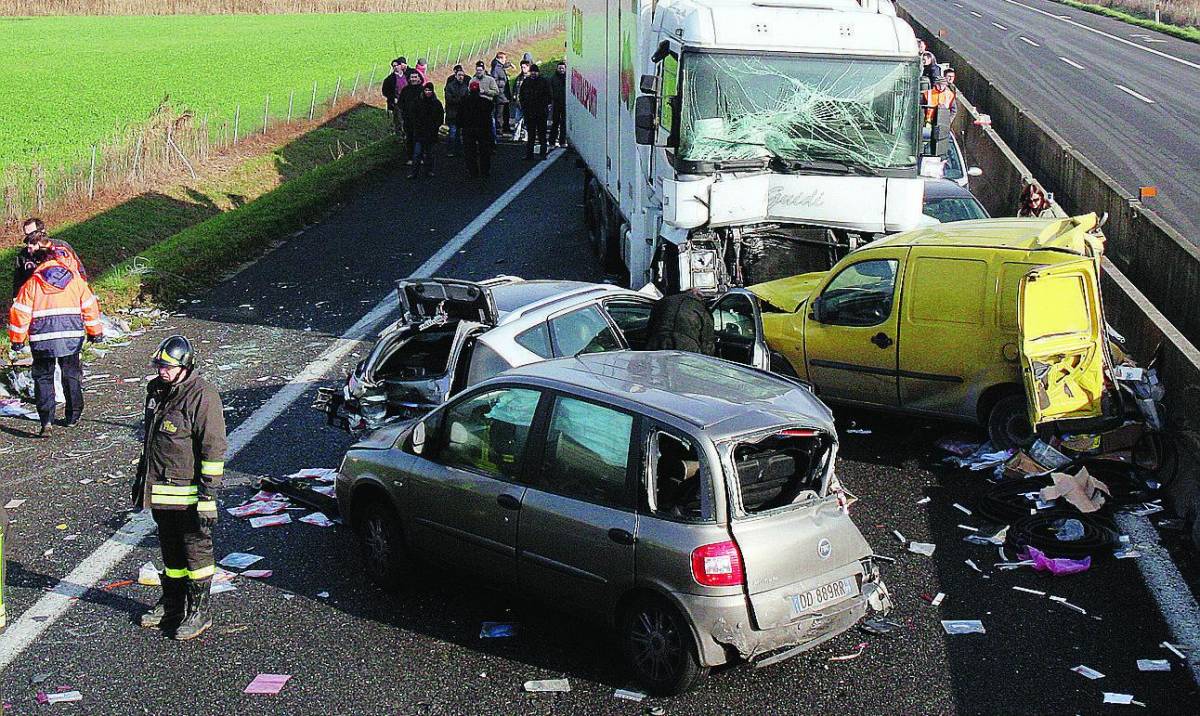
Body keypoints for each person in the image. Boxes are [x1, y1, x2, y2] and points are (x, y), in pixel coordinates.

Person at [134, 335, 227, 641]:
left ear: (185, 367)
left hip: (189, 493)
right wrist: (142, 484)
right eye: (160, 365)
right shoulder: (157, 392)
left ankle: (200, 611)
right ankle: (173, 604)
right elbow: (151, 443)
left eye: (168, 367)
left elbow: (213, 450)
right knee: (171, 553)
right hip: (160, 490)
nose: (162, 371)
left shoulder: (203, 396)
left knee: (196, 552)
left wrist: (208, 497)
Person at [8, 249, 102, 436]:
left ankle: (46, 421)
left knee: (43, 378)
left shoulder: (32, 283)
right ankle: (73, 415)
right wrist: (95, 332)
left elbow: (20, 312)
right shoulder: (75, 281)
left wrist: (17, 340)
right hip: (71, 336)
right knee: (71, 374)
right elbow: (90, 306)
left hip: (42, 339)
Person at [13, 217, 86, 297]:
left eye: (32, 234)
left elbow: (79, 270)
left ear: (43, 232)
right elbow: (18, 282)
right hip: (38, 300)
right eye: (27, 235)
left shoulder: (62, 247)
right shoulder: (23, 255)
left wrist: (82, 292)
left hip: (66, 296)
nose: (29, 239)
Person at [643, 289, 716, 356]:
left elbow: (649, 328)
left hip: (657, 342)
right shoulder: (700, 308)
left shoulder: (664, 301)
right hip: (687, 347)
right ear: (700, 297)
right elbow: (707, 341)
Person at [459, 80, 496, 179]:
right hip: (483, 129)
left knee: (470, 151)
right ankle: (485, 170)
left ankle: (473, 171)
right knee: (484, 150)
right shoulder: (486, 102)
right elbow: (489, 112)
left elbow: (459, 116)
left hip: (468, 129)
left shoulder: (464, 102)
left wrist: (461, 126)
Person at [410, 82, 444, 179]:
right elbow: (413, 116)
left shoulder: (436, 103)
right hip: (420, 132)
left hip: (431, 133)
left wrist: (436, 126)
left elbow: (440, 117)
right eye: (426, 90)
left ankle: (429, 171)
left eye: (429, 90)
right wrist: (416, 126)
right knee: (417, 154)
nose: (428, 92)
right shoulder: (417, 102)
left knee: (430, 154)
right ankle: (414, 172)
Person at [519, 63, 552, 160]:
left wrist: (546, 105)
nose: (533, 73)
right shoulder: (526, 82)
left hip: (541, 112)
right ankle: (530, 155)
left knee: (542, 134)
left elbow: (549, 95)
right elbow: (522, 95)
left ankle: (543, 154)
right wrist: (524, 107)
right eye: (532, 71)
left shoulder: (544, 82)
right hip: (530, 112)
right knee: (531, 135)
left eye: (535, 72)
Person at [397, 70, 425, 164]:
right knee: (409, 138)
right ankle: (410, 157)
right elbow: (400, 104)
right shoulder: (405, 90)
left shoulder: (422, 90)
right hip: (408, 119)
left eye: (415, 77)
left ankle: (420, 157)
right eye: (412, 77)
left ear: (419, 79)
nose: (413, 79)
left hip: (420, 120)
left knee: (420, 139)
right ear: (409, 79)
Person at [444, 65, 470, 157]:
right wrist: (460, 100)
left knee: (459, 133)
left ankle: (458, 150)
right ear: (455, 76)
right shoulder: (450, 86)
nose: (461, 77)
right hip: (453, 113)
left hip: (461, 114)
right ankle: (450, 150)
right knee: (453, 132)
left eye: (462, 75)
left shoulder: (465, 87)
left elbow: (467, 99)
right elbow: (449, 99)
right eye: (459, 75)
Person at [381, 57, 409, 139]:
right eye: (393, 66)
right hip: (397, 103)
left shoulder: (406, 75)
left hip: (407, 101)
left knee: (408, 118)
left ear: (400, 66)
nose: (395, 67)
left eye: (396, 65)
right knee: (399, 120)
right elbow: (385, 91)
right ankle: (400, 136)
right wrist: (393, 98)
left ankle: (408, 134)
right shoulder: (390, 79)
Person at [490, 51, 514, 134]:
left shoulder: (499, 66)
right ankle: (499, 129)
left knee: (506, 112)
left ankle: (506, 127)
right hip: (500, 94)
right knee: (500, 113)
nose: (505, 60)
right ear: (499, 59)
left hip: (504, 94)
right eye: (504, 58)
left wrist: (509, 64)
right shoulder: (496, 68)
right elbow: (494, 81)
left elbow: (503, 66)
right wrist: (504, 82)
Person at [511, 61, 531, 142]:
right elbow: (515, 89)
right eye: (522, 67)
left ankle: (526, 136)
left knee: (527, 121)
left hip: (528, 103)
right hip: (519, 103)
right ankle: (516, 136)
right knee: (517, 120)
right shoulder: (519, 78)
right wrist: (514, 96)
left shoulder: (531, 78)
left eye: (524, 67)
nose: (523, 69)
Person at [550, 61, 568, 148]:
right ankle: (552, 141)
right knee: (555, 123)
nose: (561, 70)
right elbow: (551, 90)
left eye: (563, 68)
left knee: (564, 123)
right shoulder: (553, 78)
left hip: (565, 103)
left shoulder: (567, 78)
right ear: (557, 69)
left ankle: (562, 141)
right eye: (560, 68)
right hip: (556, 103)